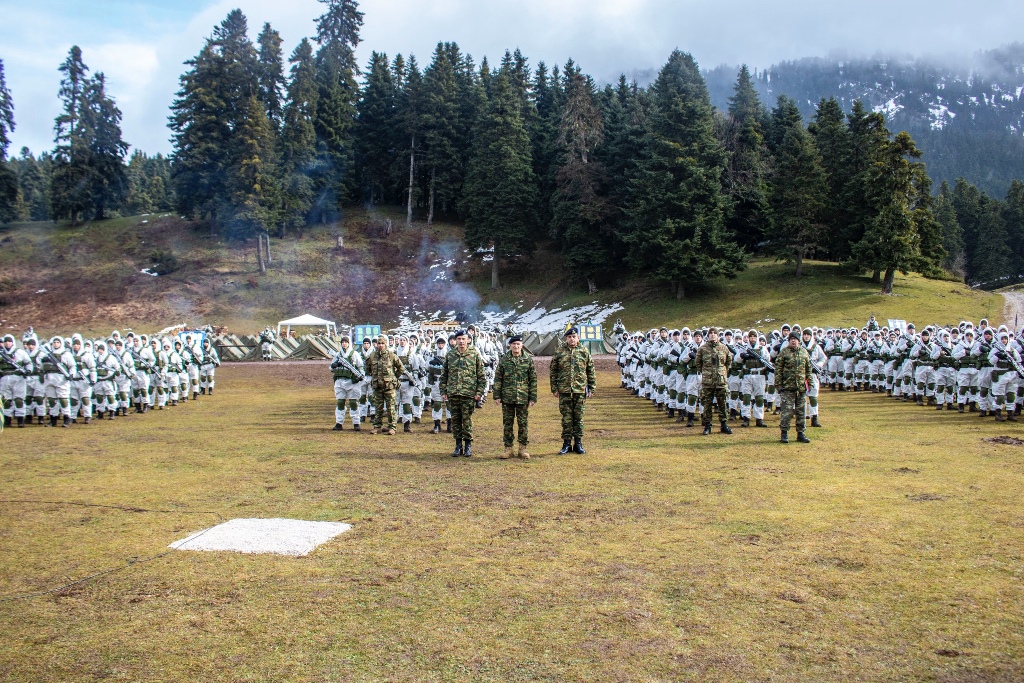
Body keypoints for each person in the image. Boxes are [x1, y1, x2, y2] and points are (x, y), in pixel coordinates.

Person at [549, 327, 596, 454]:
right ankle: (566, 444)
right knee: (566, 418)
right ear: (566, 338)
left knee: (579, 417)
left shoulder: (584, 351)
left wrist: (591, 387)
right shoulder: (559, 352)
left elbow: (590, 370)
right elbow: (553, 370)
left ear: (578, 338)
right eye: (569, 337)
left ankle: (578, 443)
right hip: (564, 390)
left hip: (579, 390)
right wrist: (554, 388)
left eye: (574, 337)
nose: (572, 339)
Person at [440, 329, 486, 457]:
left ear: (468, 340)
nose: (461, 341)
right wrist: (443, 391)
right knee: (455, 420)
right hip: (453, 393)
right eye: (458, 339)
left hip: (468, 394)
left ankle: (468, 445)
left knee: (467, 420)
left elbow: (481, 376)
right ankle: (458, 445)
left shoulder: (474, 354)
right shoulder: (450, 355)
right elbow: (444, 375)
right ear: (455, 340)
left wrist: (479, 392)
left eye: (463, 339)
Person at [492, 334, 538, 460]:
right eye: (514, 344)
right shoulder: (504, 359)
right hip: (507, 397)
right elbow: (498, 379)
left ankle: (522, 449)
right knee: (508, 424)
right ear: (510, 345)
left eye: (518, 344)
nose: (516, 346)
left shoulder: (527, 359)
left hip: (523, 397)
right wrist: (497, 395)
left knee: (523, 424)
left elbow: (533, 379)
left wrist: (532, 397)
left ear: (522, 345)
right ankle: (508, 449)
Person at [776, 331, 814, 444]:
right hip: (787, 388)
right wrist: (778, 385)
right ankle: (784, 433)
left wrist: (810, 383)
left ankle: (801, 433)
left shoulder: (804, 352)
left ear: (799, 340)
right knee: (786, 412)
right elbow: (778, 369)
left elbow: (808, 369)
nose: (793, 340)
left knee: (801, 412)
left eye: (795, 339)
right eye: (791, 339)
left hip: (801, 388)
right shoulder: (784, 353)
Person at [694, 327, 732, 436]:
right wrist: (706, 372)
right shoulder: (702, 349)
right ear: (708, 335)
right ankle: (707, 425)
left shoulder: (724, 348)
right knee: (707, 403)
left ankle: (724, 424)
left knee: (722, 403)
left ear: (718, 335)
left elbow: (728, 362)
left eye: (715, 333)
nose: (712, 335)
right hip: (708, 381)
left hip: (721, 381)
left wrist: (723, 372)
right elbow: (698, 363)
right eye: (711, 333)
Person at [365, 335, 405, 435]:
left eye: (382, 343)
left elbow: (401, 368)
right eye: (379, 343)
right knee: (378, 407)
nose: (381, 345)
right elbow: (367, 368)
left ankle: (392, 427)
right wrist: (373, 376)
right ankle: (377, 426)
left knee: (391, 408)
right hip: (377, 386)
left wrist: (394, 377)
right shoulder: (372, 355)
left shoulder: (391, 355)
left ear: (386, 344)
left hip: (389, 387)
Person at [331, 336, 365, 431]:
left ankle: (356, 423)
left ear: (349, 343)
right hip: (340, 381)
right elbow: (331, 367)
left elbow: (361, 366)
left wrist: (361, 375)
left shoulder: (355, 354)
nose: (344, 344)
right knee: (340, 402)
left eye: (346, 342)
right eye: (343, 342)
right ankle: (339, 423)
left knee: (353, 402)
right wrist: (335, 365)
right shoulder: (338, 355)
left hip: (352, 382)